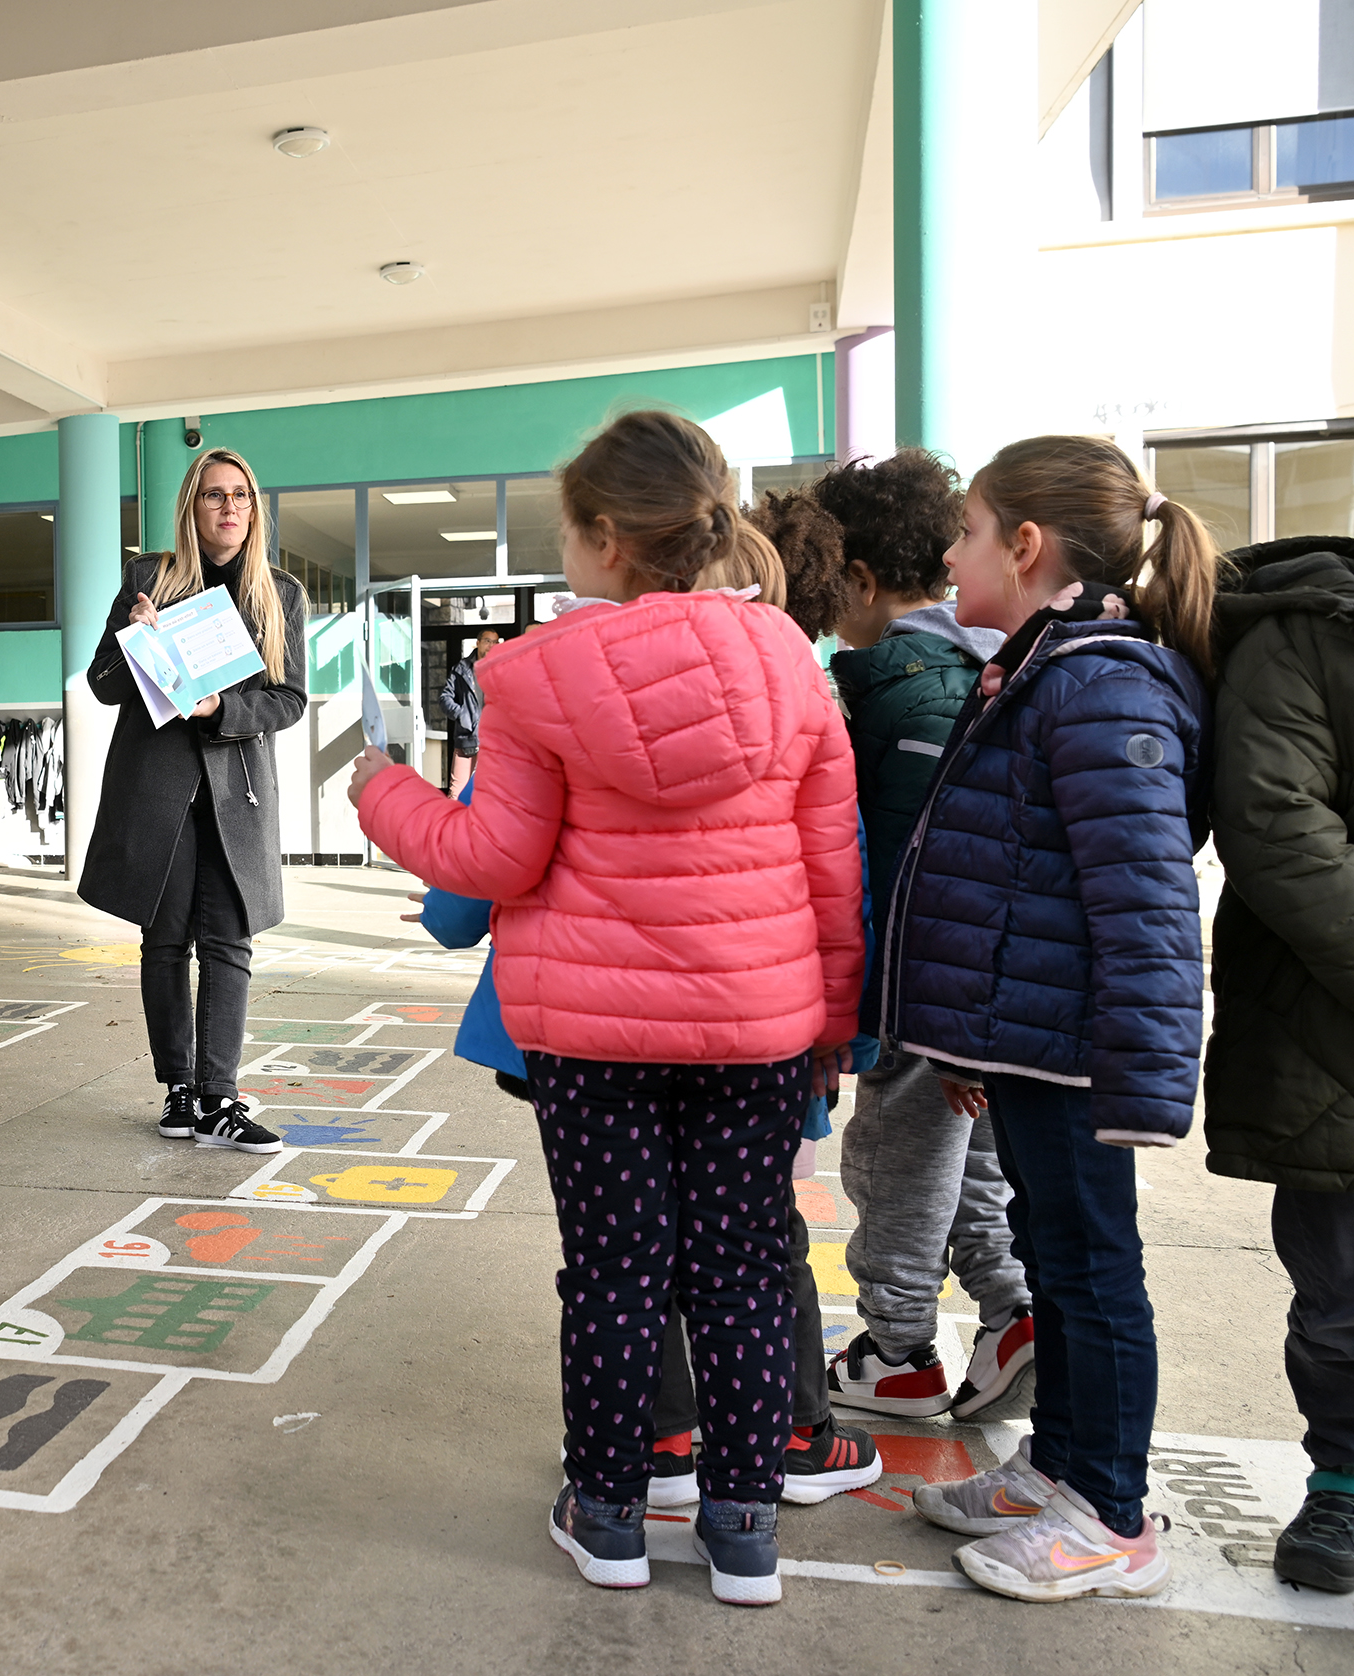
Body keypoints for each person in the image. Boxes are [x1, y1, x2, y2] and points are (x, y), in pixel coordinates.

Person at [350, 409, 863, 1607]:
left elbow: (495, 856)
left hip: (590, 1038)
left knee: (617, 1270)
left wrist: (379, 790)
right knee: (739, 1267)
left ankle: (613, 1508)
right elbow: (831, 860)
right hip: (757, 1030)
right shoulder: (792, 660)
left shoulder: (534, 676)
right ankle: (744, 1528)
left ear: (602, 539)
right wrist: (834, 1024)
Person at [889, 436, 1221, 1603]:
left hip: (1082, 1056)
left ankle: (1114, 1514)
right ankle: (1065, 1469)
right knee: (1056, 1256)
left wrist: (1139, 1083)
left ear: (1025, 546)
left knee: (1091, 1268)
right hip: (1033, 1044)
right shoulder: (1045, 664)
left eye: (968, 529)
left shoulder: (1100, 682)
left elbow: (1142, 904)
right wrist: (975, 1045)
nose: (949, 550)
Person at [752, 458, 1035, 1421]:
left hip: (927, 984)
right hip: (970, 984)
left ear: (860, 581)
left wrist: (892, 1007)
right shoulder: (967, 670)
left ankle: (899, 1346)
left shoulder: (911, 697)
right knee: (967, 1158)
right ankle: (1009, 1311)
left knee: (897, 1160)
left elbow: (924, 868)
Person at [1201, 428, 1354, 1593]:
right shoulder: (1308, 632)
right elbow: (1274, 826)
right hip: (1346, 1028)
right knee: (1350, 1281)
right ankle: (1351, 1479)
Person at [79, 448, 308, 1154]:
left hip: (235, 790)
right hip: (158, 789)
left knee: (229, 943)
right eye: (214, 495)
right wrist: (136, 635)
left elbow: (289, 700)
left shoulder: (281, 592)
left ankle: (221, 1095)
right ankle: (180, 1092)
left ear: (254, 507)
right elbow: (104, 683)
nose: (229, 507)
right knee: (166, 939)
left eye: (240, 495)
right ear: (192, 506)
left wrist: (221, 708)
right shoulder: (149, 578)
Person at [438, 628, 500, 794]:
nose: (491, 645)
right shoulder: (461, 669)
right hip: (467, 738)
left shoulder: (501, 668)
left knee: (490, 791)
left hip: (493, 740)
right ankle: (454, 820)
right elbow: (445, 698)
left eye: (495, 642)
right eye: (488, 641)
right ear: (478, 643)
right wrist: (461, 714)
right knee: (457, 791)